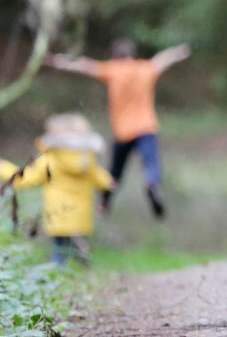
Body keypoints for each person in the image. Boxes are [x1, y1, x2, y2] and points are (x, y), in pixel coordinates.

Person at [42, 38, 191, 218]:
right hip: (146, 127)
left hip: (123, 132)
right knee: (151, 162)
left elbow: (84, 65)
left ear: (114, 56)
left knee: (116, 170)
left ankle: (105, 203)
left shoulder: (112, 70)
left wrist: (57, 60)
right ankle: (152, 184)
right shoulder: (145, 68)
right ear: (133, 55)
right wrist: (179, 51)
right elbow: (162, 59)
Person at [0, 113, 114, 265]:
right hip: (81, 214)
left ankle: (60, 269)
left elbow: (26, 177)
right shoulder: (87, 160)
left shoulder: (51, 159)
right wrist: (109, 182)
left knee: (59, 247)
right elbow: (101, 178)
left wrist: (2, 169)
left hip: (59, 213)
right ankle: (80, 259)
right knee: (74, 239)